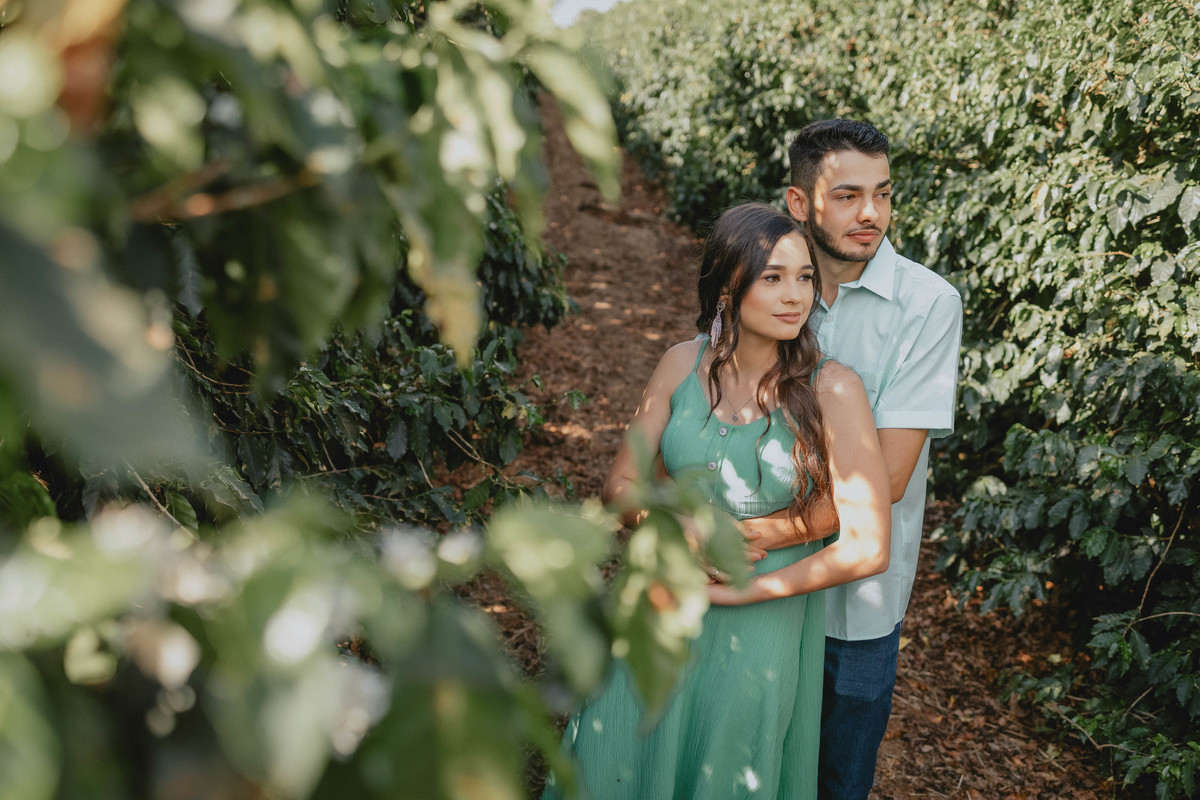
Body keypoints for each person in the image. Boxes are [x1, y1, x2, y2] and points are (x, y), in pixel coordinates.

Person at [542, 202, 892, 800]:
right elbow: (619, 486)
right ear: (728, 286)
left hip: (763, 617)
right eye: (773, 277)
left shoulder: (833, 388)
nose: (796, 296)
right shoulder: (681, 363)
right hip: (656, 597)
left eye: (805, 277)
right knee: (617, 746)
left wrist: (742, 592)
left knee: (728, 765)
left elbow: (868, 548)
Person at [741, 119, 964, 800]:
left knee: (837, 779)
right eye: (847, 196)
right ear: (799, 202)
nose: (871, 213)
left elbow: (887, 480)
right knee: (745, 764)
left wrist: (754, 532)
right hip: (757, 584)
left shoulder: (927, 305)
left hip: (856, 604)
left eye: (882, 193)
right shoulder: (760, 285)